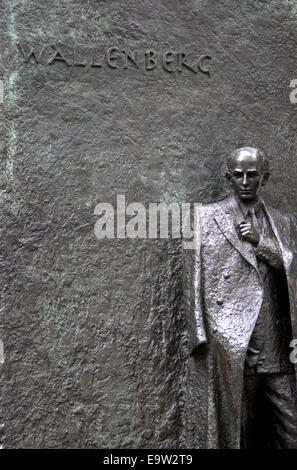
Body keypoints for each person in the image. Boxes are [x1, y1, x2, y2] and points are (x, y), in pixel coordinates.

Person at [184, 147, 297, 448]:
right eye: (238, 175)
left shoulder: (282, 223)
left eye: (252, 175)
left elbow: (292, 268)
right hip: (234, 343)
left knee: (290, 427)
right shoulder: (206, 217)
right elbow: (194, 280)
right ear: (228, 177)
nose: (245, 181)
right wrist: (205, 337)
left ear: (265, 178)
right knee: (237, 431)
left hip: (276, 345)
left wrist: (260, 242)